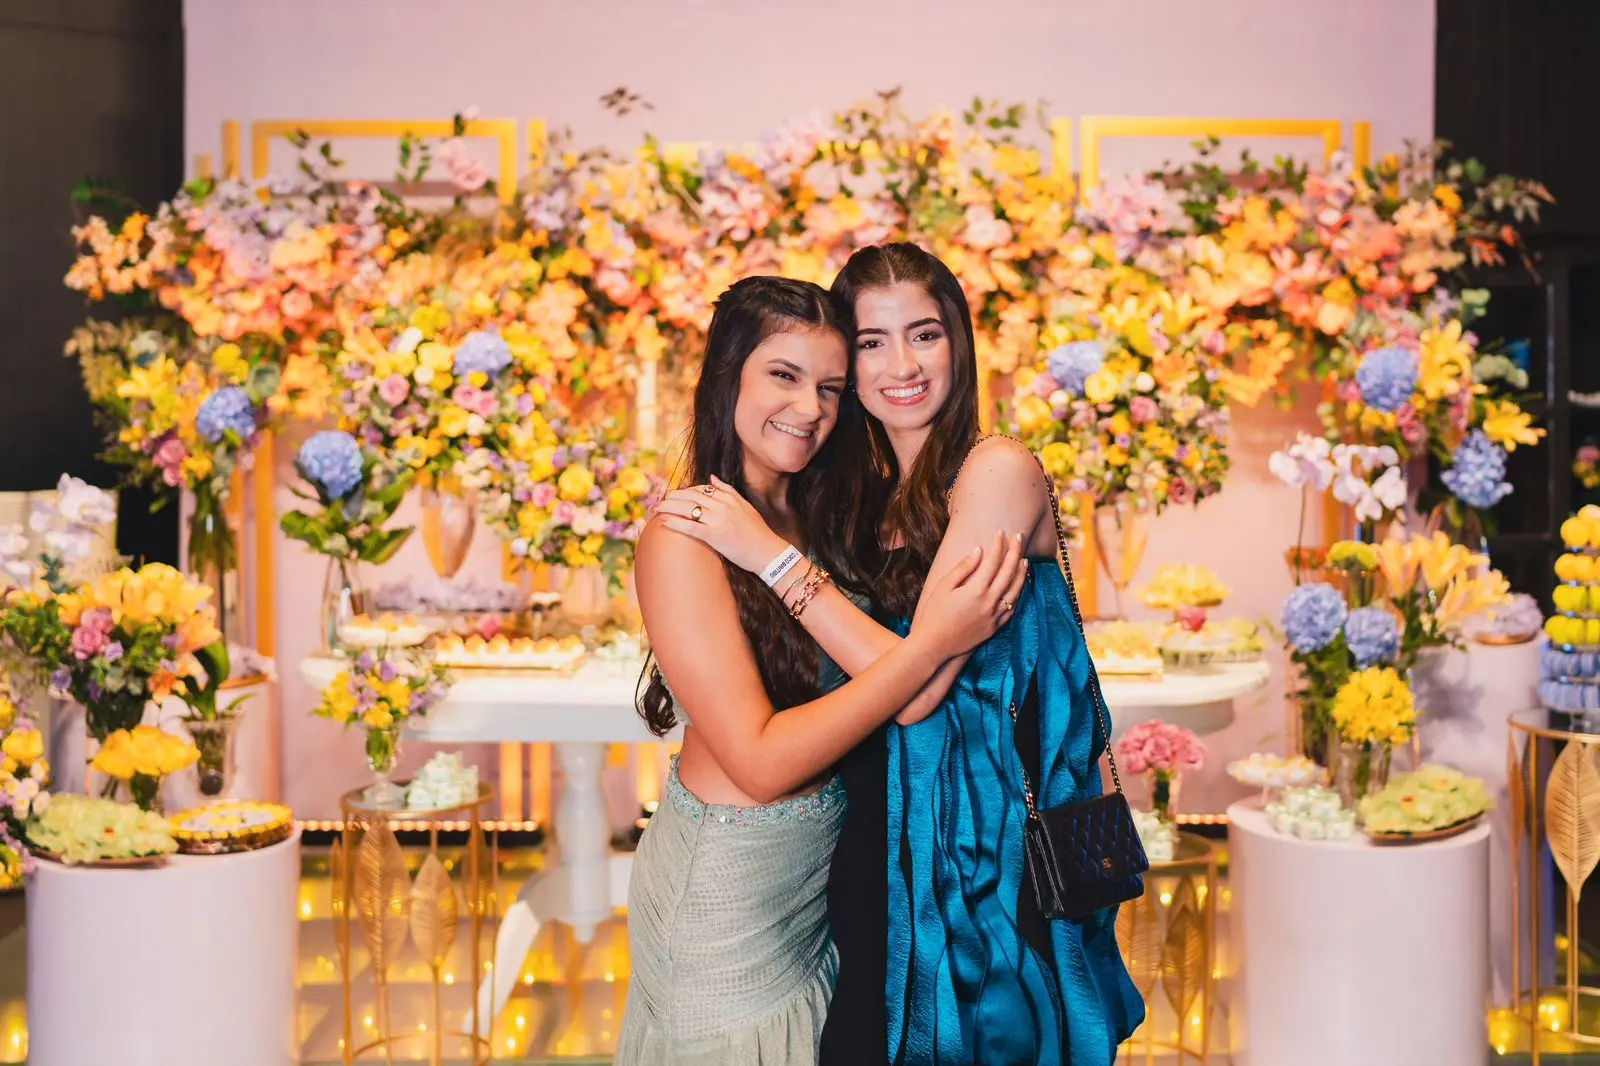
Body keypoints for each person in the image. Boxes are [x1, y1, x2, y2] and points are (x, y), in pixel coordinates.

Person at [657, 245, 1144, 1065]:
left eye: (924, 334)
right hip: (886, 850)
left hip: (987, 865)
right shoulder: (864, 498)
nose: (903, 365)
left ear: (959, 341)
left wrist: (770, 557)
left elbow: (920, 689)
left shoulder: (996, 470)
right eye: (872, 343)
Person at [619, 274, 1027, 1066]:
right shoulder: (684, 536)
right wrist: (933, 643)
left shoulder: (822, 515)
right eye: (785, 375)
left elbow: (904, 686)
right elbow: (762, 762)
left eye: (831, 388)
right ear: (727, 376)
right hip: (726, 896)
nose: (809, 407)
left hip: (819, 891)